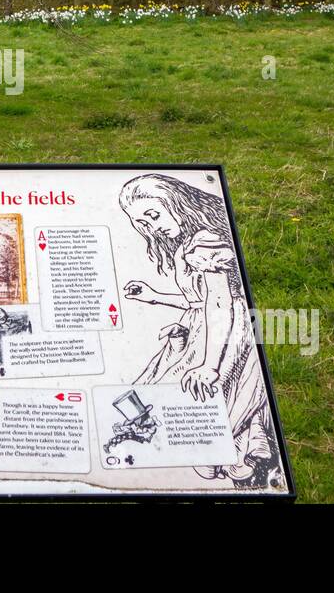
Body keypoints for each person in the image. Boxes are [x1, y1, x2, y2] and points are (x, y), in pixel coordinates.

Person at [118, 173, 275, 484]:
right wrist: (154, 297)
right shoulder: (186, 245)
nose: (153, 227)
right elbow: (198, 301)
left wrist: (210, 365)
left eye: (154, 215)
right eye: (143, 224)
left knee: (200, 403)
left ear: (176, 202)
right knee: (152, 399)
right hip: (199, 333)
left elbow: (221, 306)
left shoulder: (207, 242)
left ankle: (244, 466)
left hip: (225, 337)